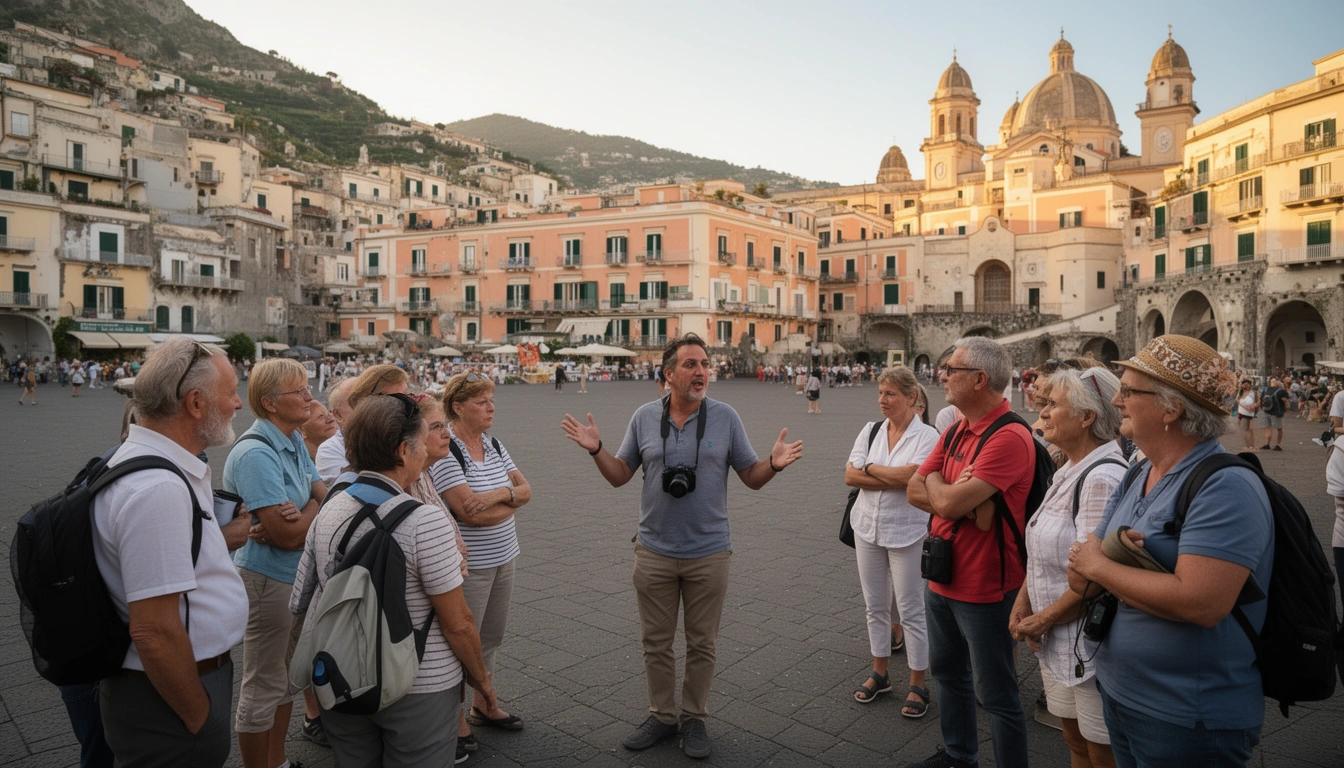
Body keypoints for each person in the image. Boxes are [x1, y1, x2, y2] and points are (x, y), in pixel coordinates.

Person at [560, 333, 803, 759]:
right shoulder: (643, 418)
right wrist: (596, 448)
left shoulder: (725, 417)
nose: (702, 371)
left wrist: (774, 465)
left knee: (702, 643)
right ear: (668, 374)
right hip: (653, 550)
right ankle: (662, 715)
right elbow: (620, 475)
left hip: (710, 551)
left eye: (705, 364)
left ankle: (693, 718)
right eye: (691, 364)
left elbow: (751, 476)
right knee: (655, 642)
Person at [1067, 335, 1272, 767]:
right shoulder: (1139, 471)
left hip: (1185, 716)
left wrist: (1104, 562)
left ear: (1171, 409)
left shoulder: (1225, 486)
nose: (1117, 400)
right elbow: (1079, 575)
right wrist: (1110, 564)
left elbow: (1200, 602)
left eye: (1129, 391)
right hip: (1121, 692)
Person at [290, 393, 497, 767]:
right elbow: (459, 623)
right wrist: (481, 681)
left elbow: (301, 598)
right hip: (418, 683)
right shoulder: (424, 521)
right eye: (421, 441)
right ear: (404, 450)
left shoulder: (331, 504)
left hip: (341, 674)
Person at [92, 338, 248, 768]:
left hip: (167, 684)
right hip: (170, 693)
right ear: (195, 403)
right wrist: (198, 715)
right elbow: (154, 632)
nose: (238, 402)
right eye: (231, 391)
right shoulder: (158, 488)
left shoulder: (154, 465)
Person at [907, 336, 1033, 768]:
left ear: (979, 379)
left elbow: (939, 499)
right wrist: (957, 496)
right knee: (947, 675)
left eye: (951, 369)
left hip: (986, 584)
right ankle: (959, 756)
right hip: (942, 573)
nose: (942, 375)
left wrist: (944, 491)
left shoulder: (1011, 436)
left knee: (997, 693)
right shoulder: (959, 426)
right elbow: (913, 490)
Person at [1009, 368, 1124, 768]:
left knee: (1102, 753)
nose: (1042, 414)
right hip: (1057, 637)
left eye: (1052, 405)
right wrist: (1025, 601)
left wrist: (1042, 619)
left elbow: (1093, 580)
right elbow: (1043, 549)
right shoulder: (1066, 471)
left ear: (1088, 416)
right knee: (1076, 743)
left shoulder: (1101, 479)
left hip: (1087, 645)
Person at [222, 359, 327, 768]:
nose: (309, 396)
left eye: (307, 387)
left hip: (294, 577)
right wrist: (312, 508)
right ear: (269, 403)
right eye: (298, 391)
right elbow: (286, 537)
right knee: (262, 685)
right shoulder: (254, 453)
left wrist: (308, 508)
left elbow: (323, 494)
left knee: (284, 681)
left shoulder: (294, 439)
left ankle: (278, 761)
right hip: (267, 581)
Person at [433, 372, 533, 754]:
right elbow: (467, 514)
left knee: (490, 638)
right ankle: (454, 723)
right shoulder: (448, 450)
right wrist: (511, 503)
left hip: (505, 555)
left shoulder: (493, 443)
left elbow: (526, 490)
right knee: (462, 643)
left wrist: (496, 496)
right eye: (481, 401)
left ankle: (483, 705)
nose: (491, 407)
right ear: (458, 407)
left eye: (491, 400)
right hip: (468, 565)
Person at [844, 366, 939, 717]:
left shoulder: (928, 436)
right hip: (867, 526)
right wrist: (885, 476)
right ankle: (879, 672)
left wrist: (870, 470)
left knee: (912, 609)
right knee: (875, 605)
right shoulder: (871, 431)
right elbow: (849, 474)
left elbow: (915, 476)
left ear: (911, 398)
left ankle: (917, 682)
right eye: (880, 393)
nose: (882, 400)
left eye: (890, 394)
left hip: (908, 530)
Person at [314, 376, 356, 485]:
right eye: (356, 401)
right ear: (337, 415)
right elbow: (351, 494)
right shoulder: (330, 450)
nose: (368, 405)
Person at [1259, 376, 1288, 451]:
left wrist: (1261, 407)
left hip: (1266, 411)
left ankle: (1266, 444)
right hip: (1276, 412)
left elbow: (1261, 399)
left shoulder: (1265, 390)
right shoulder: (1281, 391)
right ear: (1278, 384)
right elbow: (1285, 400)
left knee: (1267, 428)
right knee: (1279, 429)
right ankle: (1278, 444)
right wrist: (1286, 409)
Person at [1235, 379, 1259, 451]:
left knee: (1246, 431)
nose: (1245, 386)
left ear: (1250, 385)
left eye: (1247, 384)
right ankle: (1251, 446)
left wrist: (1242, 404)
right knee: (1247, 430)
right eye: (1243, 384)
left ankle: (1249, 446)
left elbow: (1252, 405)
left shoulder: (1252, 393)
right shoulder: (1241, 392)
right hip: (1241, 413)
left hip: (1247, 414)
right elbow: (1237, 399)